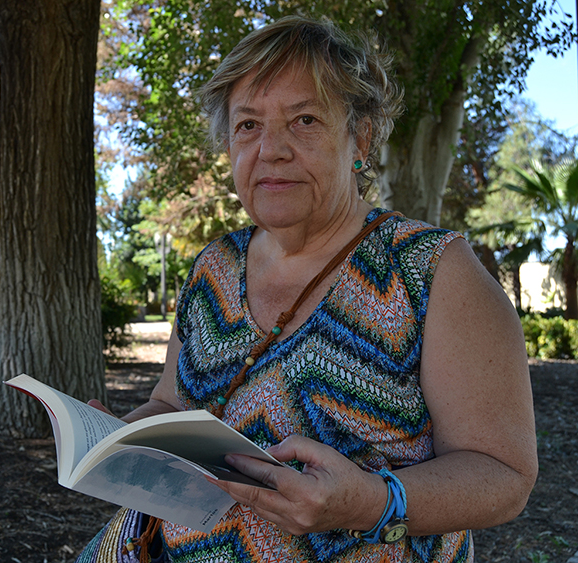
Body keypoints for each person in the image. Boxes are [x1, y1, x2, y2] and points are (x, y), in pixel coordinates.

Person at [91, 15, 537, 562]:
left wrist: (371, 503)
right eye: (248, 125)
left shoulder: (431, 271)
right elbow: (170, 400)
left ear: (361, 136)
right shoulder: (214, 266)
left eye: (303, 120)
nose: (271, 149)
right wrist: (117, 436)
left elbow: (505, 475)